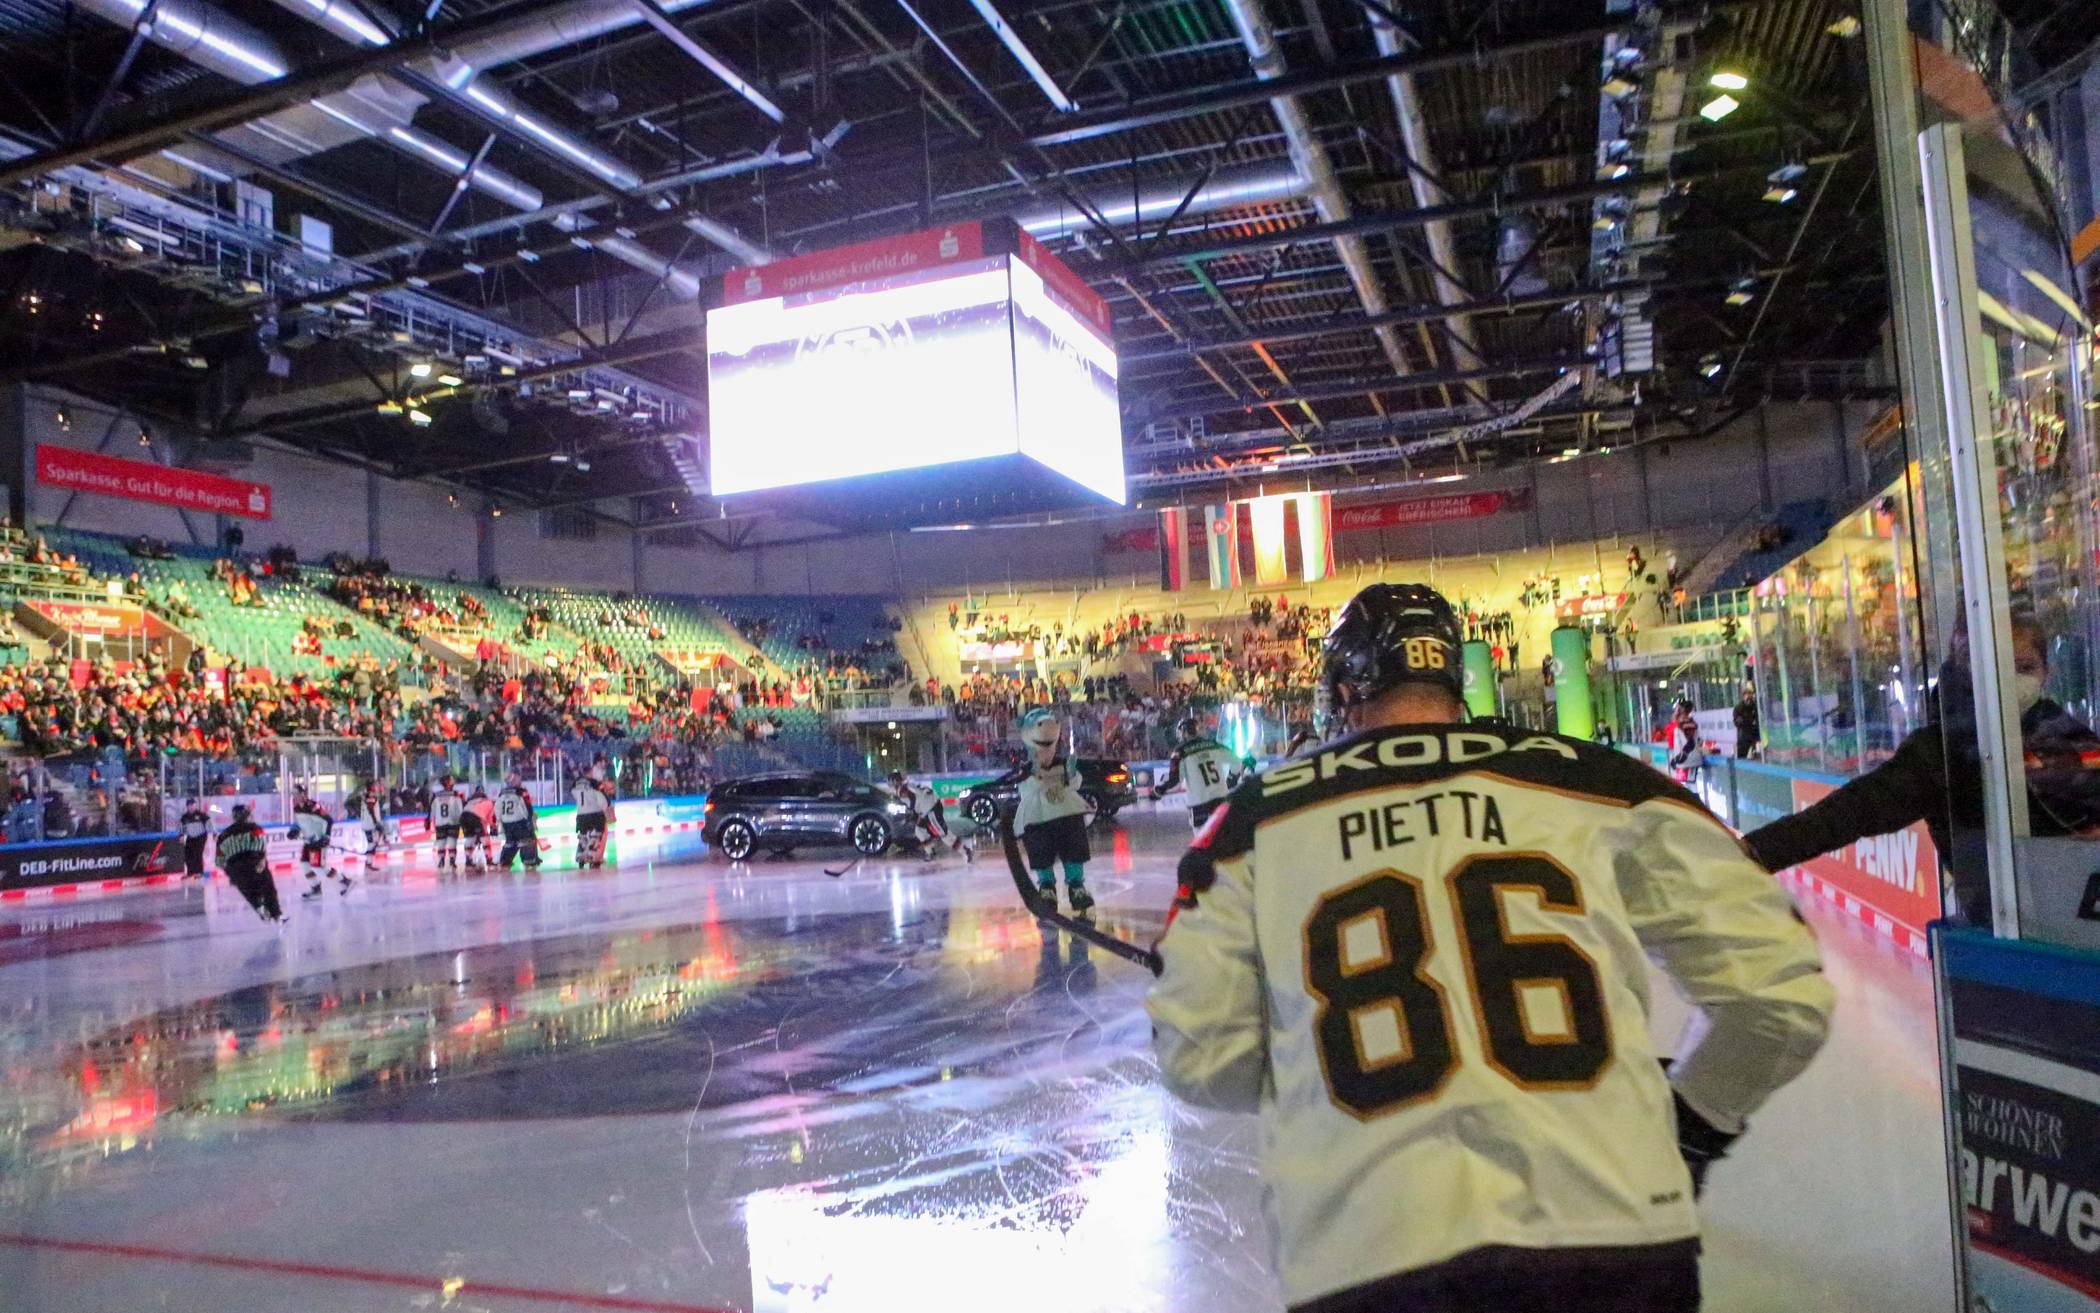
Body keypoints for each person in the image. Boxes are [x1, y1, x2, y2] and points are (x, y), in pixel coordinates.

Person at [1146, 582, 1833, 1313]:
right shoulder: (1598, 781)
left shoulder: (1254, 822)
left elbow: (1200, 1057)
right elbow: (1781, 994)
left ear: (1344, 689)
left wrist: (1306, 1044)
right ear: (1451, 675)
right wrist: (1693, 1126)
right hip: (1616, 1227)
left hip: (1366, 1250)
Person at [1743, 613, 2100, 926]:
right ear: (1968, 672)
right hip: (2006, 937)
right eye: (1997, 666)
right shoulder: (1942, 752)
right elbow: (1844, 815)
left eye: (2025, 668)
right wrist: (1745, 856)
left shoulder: (2074, 738)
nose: (2012, 680)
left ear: (2045, 674)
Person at [995, 708, 1093, 915]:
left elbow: (1074, 785)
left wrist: (1073, 775)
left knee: (1073, 845)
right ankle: (1047, 886)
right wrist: (1032, 775)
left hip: (1065, 810)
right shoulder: (1025, 769)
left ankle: (1076, 886)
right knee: (1040, 848)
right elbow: (1024, 787)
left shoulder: (1063, 764)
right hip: (1038, 814)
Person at [1149, 716, 1241, 830]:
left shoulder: (1180, 752)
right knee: (1224, 836)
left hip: (1199, 803)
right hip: (1222, 798)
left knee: (1201, 841)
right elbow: (1237, 761)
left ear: (1183, 732)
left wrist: (1158, 791)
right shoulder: (1214, 745)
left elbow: (1175, 780)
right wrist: (1232, 778)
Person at [214, 803, 283, 923]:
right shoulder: (254, 828)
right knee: (267, 888)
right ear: (247, 815)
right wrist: (262, 860)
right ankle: (276, 914)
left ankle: (260, 909)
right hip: (253, 862)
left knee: (249, 891)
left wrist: (230, 872)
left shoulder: (223, 835)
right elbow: (261, 846)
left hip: (234, 867)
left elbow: (219, 861)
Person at [888, 770, 973, 862]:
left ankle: (966, 851)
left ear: (895, 781)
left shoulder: (902, 789)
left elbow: (912, 798)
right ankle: (930, 852)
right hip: (927, 808)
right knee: (919, 830)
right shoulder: (908, 785)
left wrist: (912, 811)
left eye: (892, 781)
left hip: (930, 809)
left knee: (944, 834)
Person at [290, 787, 349, 899]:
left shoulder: (313, 806)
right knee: (304, 864)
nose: (296, 797)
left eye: (297, 794)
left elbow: (329, 820)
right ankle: (316, 889)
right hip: (307, 842)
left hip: (318, 841)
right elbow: (300, 823)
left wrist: (326, 837)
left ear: (304, 794)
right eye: (293, 795)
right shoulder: (296, 808)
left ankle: (345, 881)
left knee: (318, 867)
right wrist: (294, 829)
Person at [495, 773, 541, 871]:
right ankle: (529, 862)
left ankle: (504, 862)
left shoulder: (501, 793)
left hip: (506, 823)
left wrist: (500, 821)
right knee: (527, 841)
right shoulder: (521, 792)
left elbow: (497, 808)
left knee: (510, 842)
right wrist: (530, 819)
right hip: (519, 822)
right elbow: (526, 807)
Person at [572, 764, 613, 868]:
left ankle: (581, 856)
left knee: (583, 836)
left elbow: (573, 793)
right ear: (590, 772)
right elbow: (602, 798)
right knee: (595, 836)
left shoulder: (576, 783)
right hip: (595, 814)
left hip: (581, 814)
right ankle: (593, 858)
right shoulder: (594, 783)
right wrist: (607, 807)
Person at [429, 773, 464, 871]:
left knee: (441, 842)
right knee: (452, 841)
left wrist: (432, 821)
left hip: (440, 823)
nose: (454, 782)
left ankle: (441, 860)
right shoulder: (456, 795)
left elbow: (432, 811)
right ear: (448, 783)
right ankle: (452, 860)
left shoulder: (436, 796)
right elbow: (460, 810)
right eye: (452, 780)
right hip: (453, 822)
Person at [462, 783, 496, 872]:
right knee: (485, 838)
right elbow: (489, 818)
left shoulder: (470, 801)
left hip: (464, 817)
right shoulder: (488, 802)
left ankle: (468, 860)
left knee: (470, 839)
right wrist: (492, 827)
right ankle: (489, 859)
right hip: (476, 818)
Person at [352, 779, 389, 860]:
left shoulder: (363, 797)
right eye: (376, 786)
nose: (378, 788)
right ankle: (368, 861)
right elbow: (373, 812)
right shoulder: (372, 798)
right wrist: (377, 822)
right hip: (370, 824)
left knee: (369, 841)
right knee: (371, 842)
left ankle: (368, 860)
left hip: (364, 823)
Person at [178, 797, 211, 879]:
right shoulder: (184, 817)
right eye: (190, 805)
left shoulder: (201, 814)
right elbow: (182, 828)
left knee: (198, 854)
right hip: (190, 837)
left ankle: (200, 872)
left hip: (200, 836)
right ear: (187, 806)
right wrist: (181, 835)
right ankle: (190, 872)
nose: (192, 807)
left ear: (195, 805)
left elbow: (209, 823)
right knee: (188, 854)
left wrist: (213, 833)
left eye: (193, 805)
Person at [1732, 685, 1761, 760]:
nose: (1749, 696)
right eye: (1747, 694)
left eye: (1750, 694)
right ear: (1743, 696)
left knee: (1755, 754)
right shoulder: (1739, 707)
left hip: (1754, 734)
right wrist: (1744, 721)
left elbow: (1758, 718)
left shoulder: (1755, 706)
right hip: (1744, 736)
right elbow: (1736, 721)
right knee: (1742, 754)